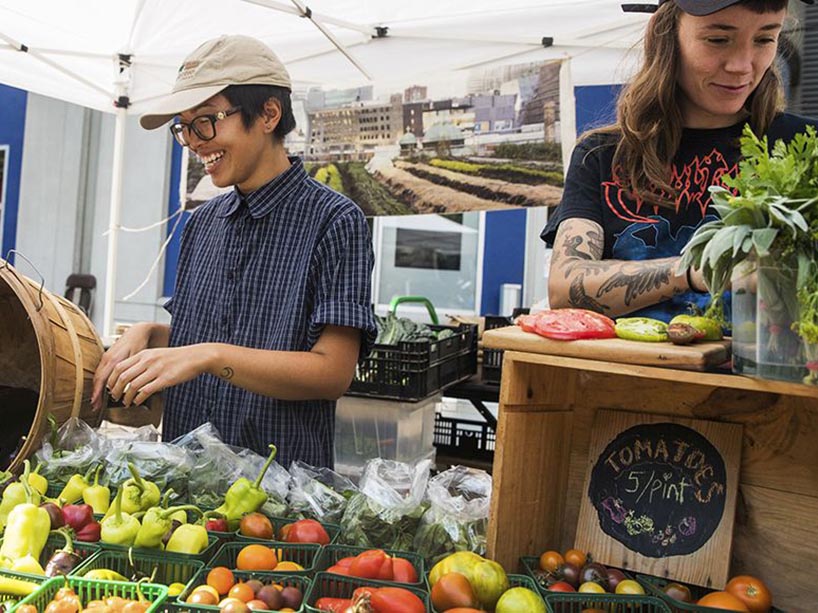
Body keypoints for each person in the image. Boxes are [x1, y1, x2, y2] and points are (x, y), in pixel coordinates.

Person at [91, 35, 377, 468]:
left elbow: (332, 372)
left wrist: (210, 355)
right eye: (184, 127)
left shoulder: (334, 220)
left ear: (268, 113)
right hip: (184, 478)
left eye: (205, 121)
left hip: (280, 493)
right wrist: (153, 334)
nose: (194, 141)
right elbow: (211, 341)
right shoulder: (204, 222)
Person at [541, 0, 818, 321]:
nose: (742, 65)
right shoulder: (601, 154)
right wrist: (698, 268)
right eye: (718, 39)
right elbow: (564, 290)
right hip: (625, 370)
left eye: (764, 39)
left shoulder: (806, 147)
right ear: (665, 33)